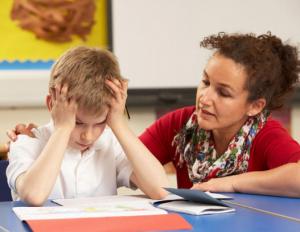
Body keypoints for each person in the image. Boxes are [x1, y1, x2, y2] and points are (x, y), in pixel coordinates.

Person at [7, 32, 300, 198]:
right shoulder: (181, 124)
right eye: (205, 82)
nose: (205, 98)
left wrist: (232, 182)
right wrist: (60, 130)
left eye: (223, 93)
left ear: (255, 106)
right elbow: (139, 162)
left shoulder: (265, 134)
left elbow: (159, 187)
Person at [6, 46, 169, 206]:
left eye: (100, 123)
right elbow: (34, 196)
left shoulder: (110, 144)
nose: (88, 136)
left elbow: (161, 190)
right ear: (52, 104)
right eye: (77, 123)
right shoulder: (26, 142)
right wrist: (63, 129)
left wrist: (118, 123)